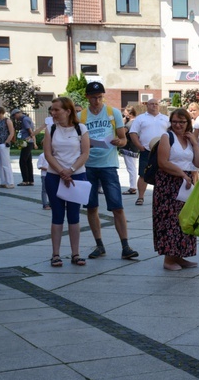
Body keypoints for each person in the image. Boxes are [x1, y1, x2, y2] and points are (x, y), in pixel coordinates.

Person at [79, 81, 139, 260]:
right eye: (93, 97)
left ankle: (125, 246)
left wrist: (119, 142)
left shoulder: (113, 113)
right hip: (88, 166)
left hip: (108, 165)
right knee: (91, 207)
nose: (97, 101)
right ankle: (99, 245)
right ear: (87, 97)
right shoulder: (81, 116)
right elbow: (77, 140)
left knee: (117, 206)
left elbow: (123, 139)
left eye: (99, 97)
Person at [43, 97, 90, 267]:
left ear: (68, 111)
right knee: (57, 214)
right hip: (54, 176)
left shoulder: (81, 128)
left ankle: (75, 253)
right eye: (52, 109)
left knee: (74, 215)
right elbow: (48, 154)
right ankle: (55, 254)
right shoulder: (51, 128)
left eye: (56, 110)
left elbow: (85, 153)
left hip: (76, 176)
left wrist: (70, 171)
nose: (53, 113)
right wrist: (62, 172)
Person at [154, 108, 199, 271]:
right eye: (174, 122)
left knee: (185, 219)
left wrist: (195, 143)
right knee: (170, 221)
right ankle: (169, 259)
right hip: (169, 183)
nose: (178, 125)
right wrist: (182, 174)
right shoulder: (167, 137)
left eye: (182, 122)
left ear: (188, 123)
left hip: (185, 182)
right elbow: (163, 162)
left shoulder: (190, 139)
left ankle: (179, 256)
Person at [129, 98, 169, 206]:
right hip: (146, 150)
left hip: (162, 151)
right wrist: (139, 146)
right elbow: (133, 133)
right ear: (147, 105)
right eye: (152, 104)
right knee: (143, 174)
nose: (154, 106)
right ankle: (140, 197)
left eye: (156, 104)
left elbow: (171, 133)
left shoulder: (166, 118)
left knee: (163, 174)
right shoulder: (140, 118)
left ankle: (161, 198)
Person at [11, 108, 36, 186]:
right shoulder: (27, 119)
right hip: (29, 142)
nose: (15, 118)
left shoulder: (24, 120)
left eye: (15, 116)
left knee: (22, 161)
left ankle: (25, 180)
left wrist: (31, 138)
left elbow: (30, 130)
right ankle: (30, 180)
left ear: (18, 113)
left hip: (27, 142)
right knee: (28, 161)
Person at [0, 107, 15, 188]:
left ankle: (10, 182)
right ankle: (3, 182)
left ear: (0, 112)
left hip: (3, 144)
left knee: (6, 163)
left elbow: (11, 132)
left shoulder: (7, 121)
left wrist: (7, 141)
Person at [121, 105, 139, 195]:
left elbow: (121, 132)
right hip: (134, 147)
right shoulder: (137, 122)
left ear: (130, 113)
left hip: (128, 147)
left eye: (125, 113)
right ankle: (133, 186)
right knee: (132, 168)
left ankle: (133, 187)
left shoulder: (129, 124)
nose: (124, 114)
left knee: (131, 168)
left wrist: (122, 123)